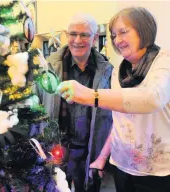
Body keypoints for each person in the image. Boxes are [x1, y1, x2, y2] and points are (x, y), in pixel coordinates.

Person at [57, 7, 170, 192]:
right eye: (114, 35)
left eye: (123, 32)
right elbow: (118, 122)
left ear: (144, 30)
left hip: (159, 171)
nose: (117, 40)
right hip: (122, 166)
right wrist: (102, 158)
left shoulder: (165, 60)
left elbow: (151, 99)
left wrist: (91, 96)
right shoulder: (119, 70)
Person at [35, 14, 113, 192]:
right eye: (73, 34)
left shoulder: (107, 72)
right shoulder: (49, 69)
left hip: (89, 151)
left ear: (94, 38)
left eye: (85, 35)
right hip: (55, 149)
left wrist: (102, 157)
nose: (78, 40)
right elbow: (35, 107)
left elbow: (114, 116)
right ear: (66, 35)